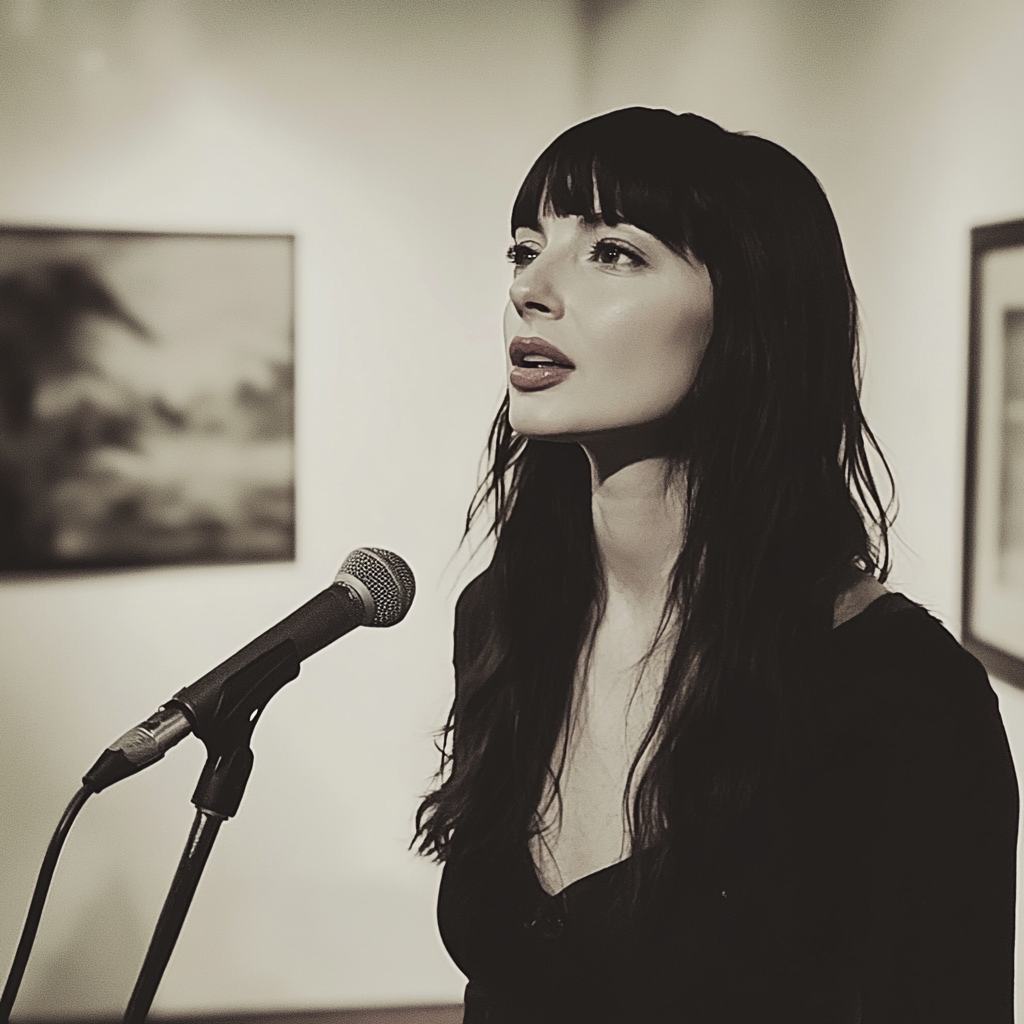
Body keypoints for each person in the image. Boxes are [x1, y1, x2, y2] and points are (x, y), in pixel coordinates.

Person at [415, 108, 1019, 1023]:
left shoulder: (900, 693)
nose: (532, 289)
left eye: (613, 251)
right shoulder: (503, 617)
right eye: (525, 248)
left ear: (748, 316)